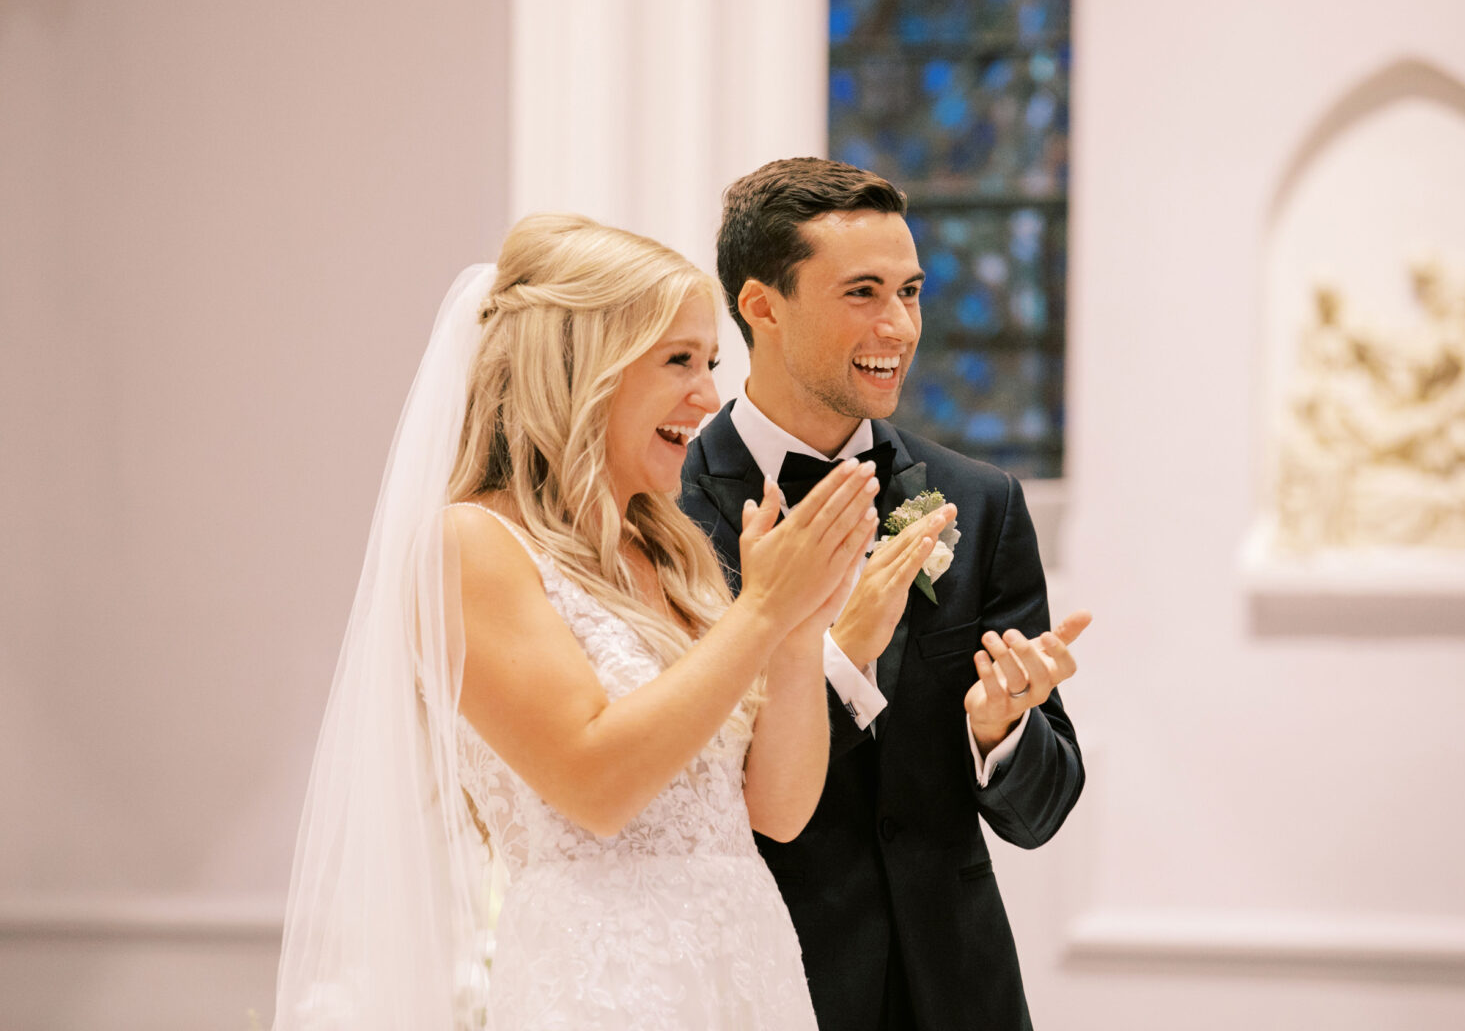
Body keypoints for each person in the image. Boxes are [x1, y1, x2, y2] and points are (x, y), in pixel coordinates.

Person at [275, 214, 910, 1029]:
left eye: (710, 362)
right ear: (581, 370)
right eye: (677, 360)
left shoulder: (671, 555)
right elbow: (594, 785)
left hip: (750, 969)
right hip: (609, 987)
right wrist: (762, 612)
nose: (707, 396)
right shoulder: (471, 545)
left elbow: (776, 812)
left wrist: (795, 635)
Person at [680, 158, 1090, 1030]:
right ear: (762, 306)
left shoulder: (978, 504)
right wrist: (835, 660)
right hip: (765, 983)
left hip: (957, 990)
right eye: (863, 292)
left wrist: (1002, 732)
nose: (899, 325)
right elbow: (685, 790)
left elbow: (1042, 813)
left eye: (911, 291)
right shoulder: (667, 511)